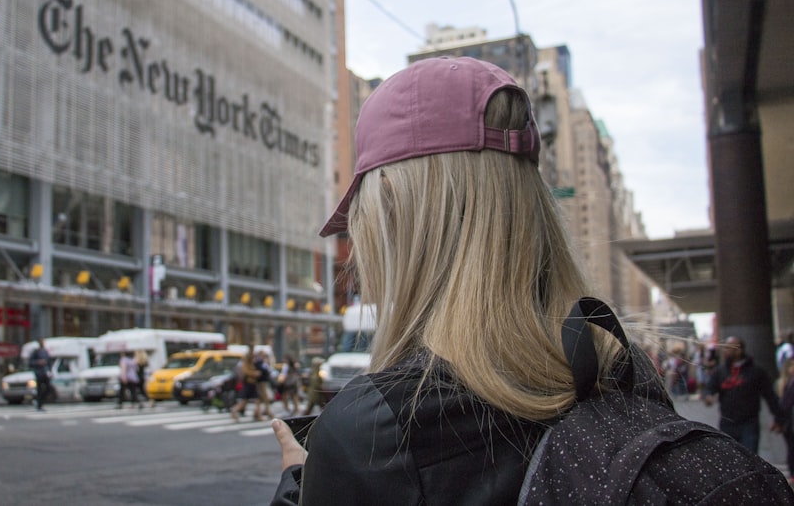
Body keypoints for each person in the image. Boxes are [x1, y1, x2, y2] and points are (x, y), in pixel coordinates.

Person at [269, 57, 635, 504]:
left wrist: (298, 486)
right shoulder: (627, 373)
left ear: (392, 215)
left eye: (359, 224)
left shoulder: (376, 430)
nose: (361, 253)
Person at [704, 335, 784, 453]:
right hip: (727, 423)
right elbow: (710, 388)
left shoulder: (755, 371)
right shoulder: (720, 371)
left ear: (738, 350)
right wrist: (708, 396)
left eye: (728, 348)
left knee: (749, 457)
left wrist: (778, 418)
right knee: (730, 458)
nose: (724, 351)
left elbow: (770, 395)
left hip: (749, 423)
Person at [779, 358, 794, 486]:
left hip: (789, 422)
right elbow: (784, 405)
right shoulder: (786, 383)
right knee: (790, 448)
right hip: (789, 422)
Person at [28, 338, 51, 411]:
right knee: (40, 389)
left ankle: (41, 401)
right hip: (38, 373)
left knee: (48, 388)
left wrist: (49, 370)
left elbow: (49, 362)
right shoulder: (36, 352)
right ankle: (39, 404)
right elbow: (30, 362)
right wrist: (38, 362)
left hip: (44, 372)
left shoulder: (45, 351)